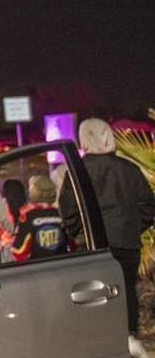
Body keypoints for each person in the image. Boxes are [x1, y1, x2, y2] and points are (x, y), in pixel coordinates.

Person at [60, 118, 155, 357]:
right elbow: (148, 207)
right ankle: (129, 338)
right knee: (126, 292)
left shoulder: (77, 172)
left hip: (93, 248)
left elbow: (68, 213)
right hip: (127, 244)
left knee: (93, 298)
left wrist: (82, 236)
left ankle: (100, 344)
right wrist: (132, 228)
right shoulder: (129, 169)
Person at [9, 175, 67, 262]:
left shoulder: (27, 217)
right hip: (63, 265)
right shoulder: (62, 214)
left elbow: (18, 251)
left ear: (34, 191)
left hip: (37, 267)